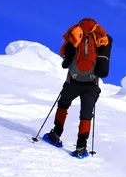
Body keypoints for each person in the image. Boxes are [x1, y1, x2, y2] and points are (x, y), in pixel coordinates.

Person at [45, 18, 112, 157]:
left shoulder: (74, 38)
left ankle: (56, 133)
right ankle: (81, 147)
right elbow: (102, 69)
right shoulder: (101, 39)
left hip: (73, 81)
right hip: (91, 84)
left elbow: (65, 64)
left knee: (63, 104)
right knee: (86, 115)